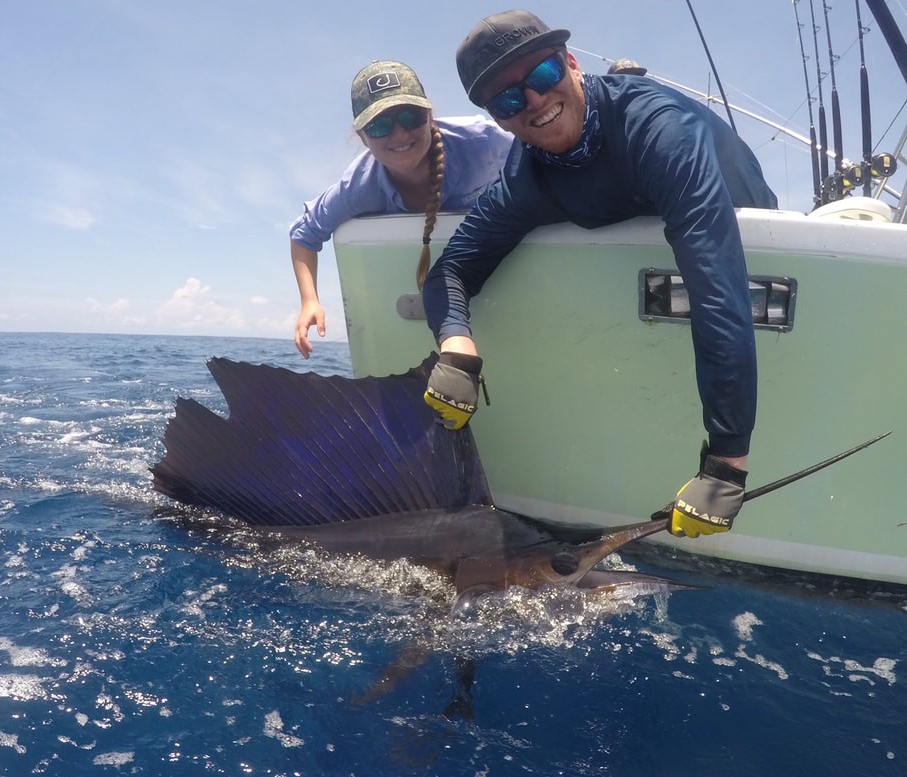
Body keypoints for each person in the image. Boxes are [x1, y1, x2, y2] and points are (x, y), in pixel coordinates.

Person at [421, 10, 779, 540]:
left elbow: (717, 292)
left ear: (571, 63)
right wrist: (456, 347)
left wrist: (727, 462)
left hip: (750, 244)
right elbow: (450, 270)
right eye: (508, 100)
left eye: (543, 74)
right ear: (498, 119)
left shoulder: (658, 130)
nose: (534, 100)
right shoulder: (525, 181)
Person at [289, 60, 513, 358]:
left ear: (429, 117)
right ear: (362, 137)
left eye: (411, 117)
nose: (399, 135)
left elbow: (542, 155)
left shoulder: (484, 141)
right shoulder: (359, 186)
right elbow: (304, 233)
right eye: (379, 125)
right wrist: (309, 301)